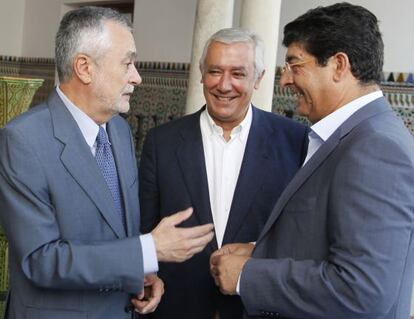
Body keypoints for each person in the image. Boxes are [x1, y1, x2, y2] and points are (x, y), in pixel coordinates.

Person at [0, 6, 214, 319]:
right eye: (127, 62)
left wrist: (138, 274)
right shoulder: (23, 141)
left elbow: (116, 236)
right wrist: (147, 251)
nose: (137, 77)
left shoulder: (119, 130)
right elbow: (41, 260)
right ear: (84, 68)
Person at [210, 3, 414, 319]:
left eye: (295, 64)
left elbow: (362, 291)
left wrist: (249, 276)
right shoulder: (351, 136)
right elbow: (327, 241)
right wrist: (262, 253)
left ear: (338, 65)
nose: (285, 80)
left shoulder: (375, 148)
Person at [139, 28, 308, 319]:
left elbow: (301, 235)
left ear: (259, 78)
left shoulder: (295, 141)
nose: (224, 85)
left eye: (239, 74)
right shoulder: (161, 142)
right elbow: (145, 229)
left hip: (256, 309)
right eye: (215, 71)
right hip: (176, 308)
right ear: (201, 74)